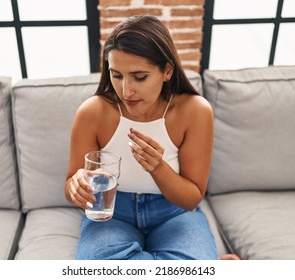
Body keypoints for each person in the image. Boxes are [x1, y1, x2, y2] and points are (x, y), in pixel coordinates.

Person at [64, 15, 218, 260]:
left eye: (139, 77)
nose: (126, 90)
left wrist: (158, 168)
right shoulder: (92, 112)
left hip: (174, 213)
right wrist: (76, 187)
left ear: (167, 71)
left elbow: (190, 199)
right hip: (113, 213)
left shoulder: (195, 111)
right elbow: (72, 181)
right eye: (116, 75)